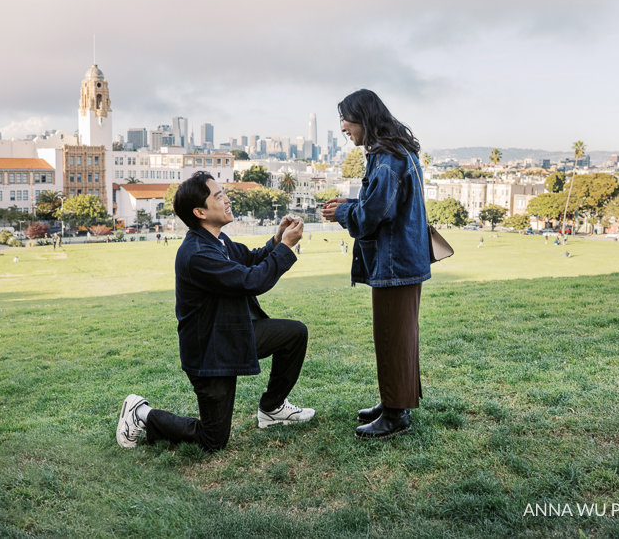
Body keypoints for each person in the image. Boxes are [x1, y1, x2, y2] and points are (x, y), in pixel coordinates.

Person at [117, 171, 315, 451]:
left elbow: (250, 259)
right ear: (200, 212)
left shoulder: (217, 240)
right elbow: (251, 281)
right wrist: (286, 247)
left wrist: (276, 240)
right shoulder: (198, 253)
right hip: (210, 350)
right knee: (213, 440)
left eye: (224, 194)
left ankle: (272, 408)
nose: (227, 200)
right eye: (219, 196)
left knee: (294, 334)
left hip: (233, 334)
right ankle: (141, 413)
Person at [321, 89, 431, 440]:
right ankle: (393, 403)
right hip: (403, 260)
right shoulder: (396, 151)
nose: (343, 127)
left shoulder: (385, 158)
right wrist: (350, 203)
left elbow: (371, 217)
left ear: (364, 119)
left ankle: (396, 415)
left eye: (346, 120)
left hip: (395, 263)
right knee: (398, 336)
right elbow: (382, 203)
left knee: (391, 337)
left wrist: (343, 212)